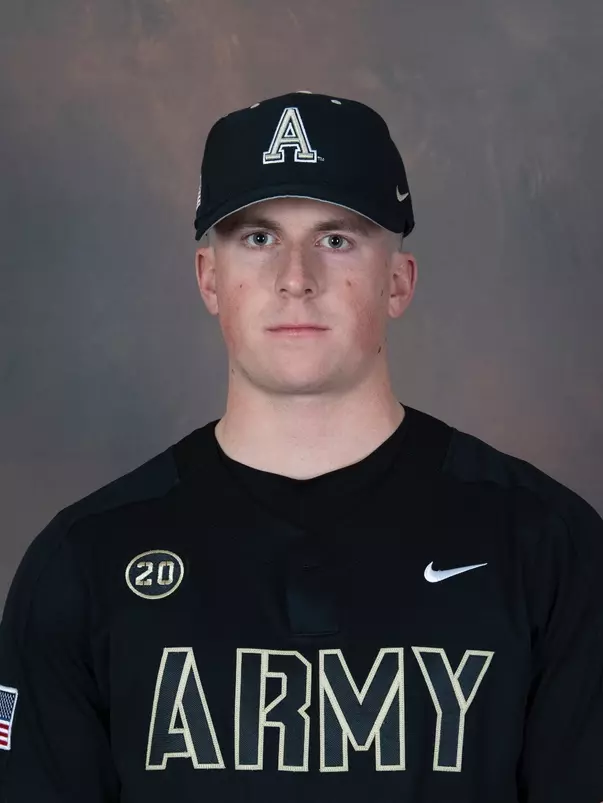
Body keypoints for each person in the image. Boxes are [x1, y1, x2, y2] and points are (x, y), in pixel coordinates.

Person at [0, 90, 601, 803]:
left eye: (335, 238)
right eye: (257, 237)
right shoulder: (84, 561)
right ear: (208, 278)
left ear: (398, 281)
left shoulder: (545, 547)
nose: (295, 277)